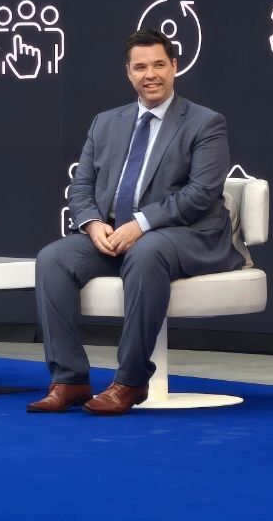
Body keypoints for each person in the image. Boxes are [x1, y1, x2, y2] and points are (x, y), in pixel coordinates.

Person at [30, 29, 242, 415]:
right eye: (140, 67)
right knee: (53, 259)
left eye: (159, 65)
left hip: (185, 234)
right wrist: (93, 224)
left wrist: (140, 224)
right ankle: (70, 379)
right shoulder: (105, 123)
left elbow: (200, 194)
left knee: (146, 252)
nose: (151, 74)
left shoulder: (205, 123)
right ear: (128, 73)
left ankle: (129, 381)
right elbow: (81, 187)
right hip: (114, 233)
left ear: (174, 67)